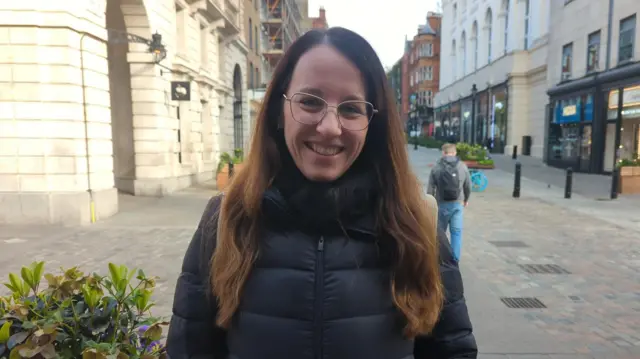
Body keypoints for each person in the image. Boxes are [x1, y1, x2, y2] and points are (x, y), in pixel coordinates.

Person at [167, 27, 477, 359]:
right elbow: (189, 350)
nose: (329, 127)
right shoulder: (227, 219)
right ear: (278, 111)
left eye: (351, 109)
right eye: (310, 102)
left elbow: (452, 350)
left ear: (374, 124)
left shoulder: (415, 222)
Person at [426, 143, 471, 262]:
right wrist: (466, 200)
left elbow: (430, 188)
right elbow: (468, 186)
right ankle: (454, 260)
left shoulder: (437, 167)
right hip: (458, 204)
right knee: (456, 233)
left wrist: (431, 203)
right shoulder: (462, 166)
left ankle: (440, 259)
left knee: (440, 233)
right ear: (455, 153)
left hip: (442, 204)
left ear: (443, 153)